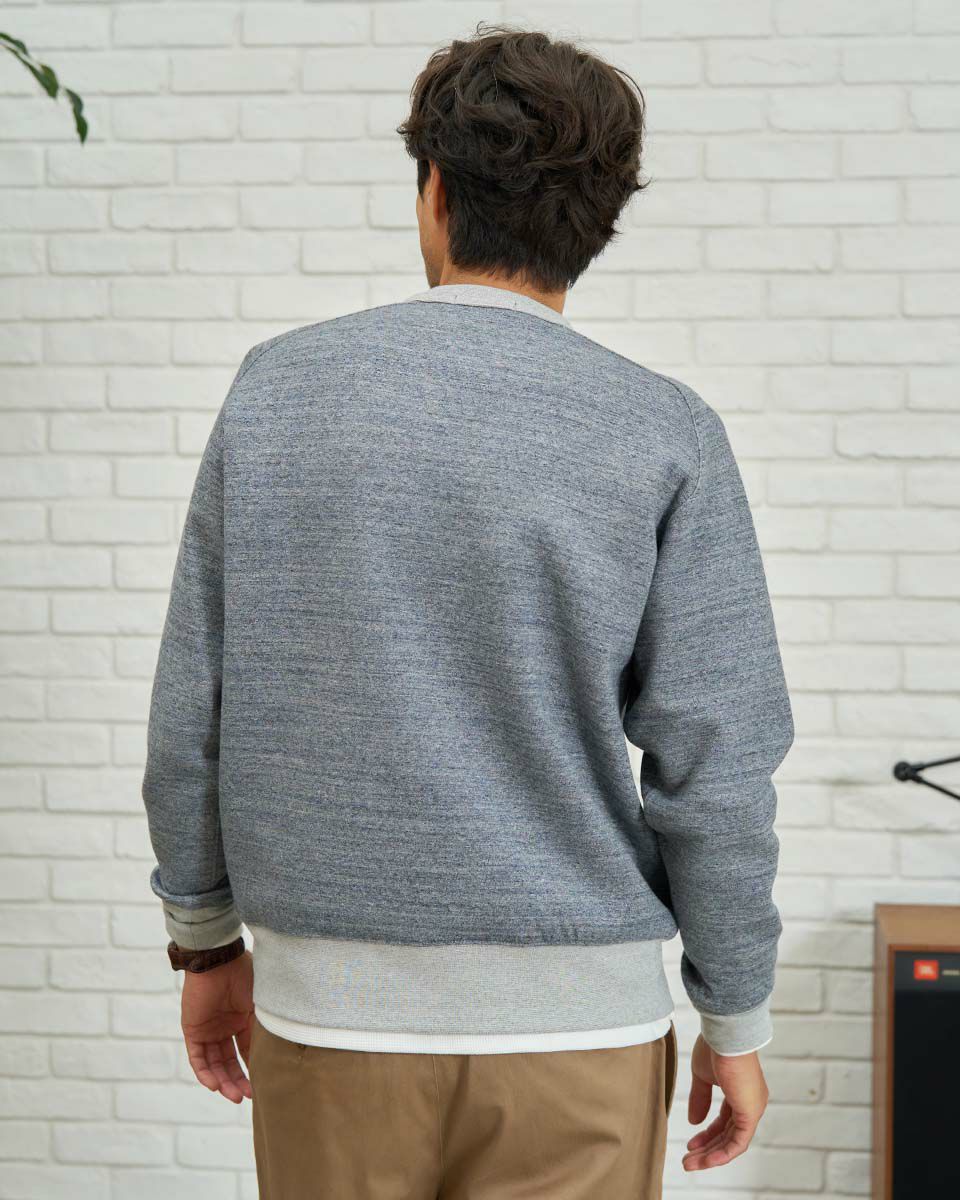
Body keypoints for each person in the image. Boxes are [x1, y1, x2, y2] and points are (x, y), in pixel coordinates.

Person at [141, 23, 794, 1200]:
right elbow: (718, 766)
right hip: (581, 1036)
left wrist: (204, 940)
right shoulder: (663, 431)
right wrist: (734, 1016)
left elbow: (197, 707)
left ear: (435, 191)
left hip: (332, 1020)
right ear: (600, 223)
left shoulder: (279, 391)